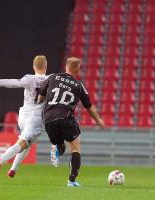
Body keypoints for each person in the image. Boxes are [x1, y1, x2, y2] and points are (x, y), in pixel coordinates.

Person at [38, 57, 105, 187]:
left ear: (66, 67)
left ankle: (56, 147)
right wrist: (98, 120)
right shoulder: (79, 86)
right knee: (75, 148)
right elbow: (89, 107)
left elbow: (40, 97)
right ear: (78, 70)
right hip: (65, 117)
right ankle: (72, 181)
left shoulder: (53, 77)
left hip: (48, 118)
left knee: (60, 145)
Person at [0, 55, 48, 180]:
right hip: (36, 117)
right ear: (46, 66)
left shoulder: (29, 78)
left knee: (27, 142)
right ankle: (0, 160)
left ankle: (13, 169)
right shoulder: (51, 79)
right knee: (24, 142)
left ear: (33, 66)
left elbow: (14, 83)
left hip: (24, 115)